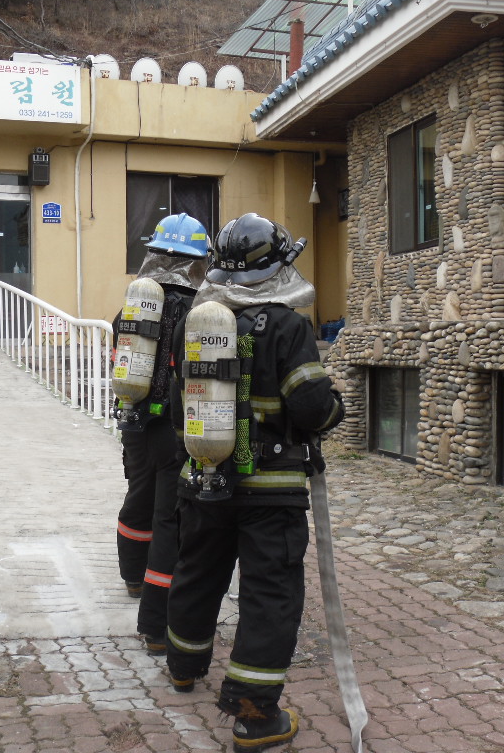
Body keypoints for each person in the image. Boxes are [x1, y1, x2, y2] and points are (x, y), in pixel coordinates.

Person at [165, 213, 344, 752]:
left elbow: (177, 409)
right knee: (270, 594)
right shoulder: (288, 326)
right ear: (277, 267)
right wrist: (334, 410)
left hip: (204, 479)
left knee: (197, 572)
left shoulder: (197, 322)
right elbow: (311, 408)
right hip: (270, 492)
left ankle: (183, 666)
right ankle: (254, 714)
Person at [112, 212, 210, 655]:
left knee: (138, 491)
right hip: (174, 428)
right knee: (170, 518)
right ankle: (157, 626)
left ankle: (133, 577)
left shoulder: (135, 305)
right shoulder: (199, 312)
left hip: (135, 421)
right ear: (197, 262)